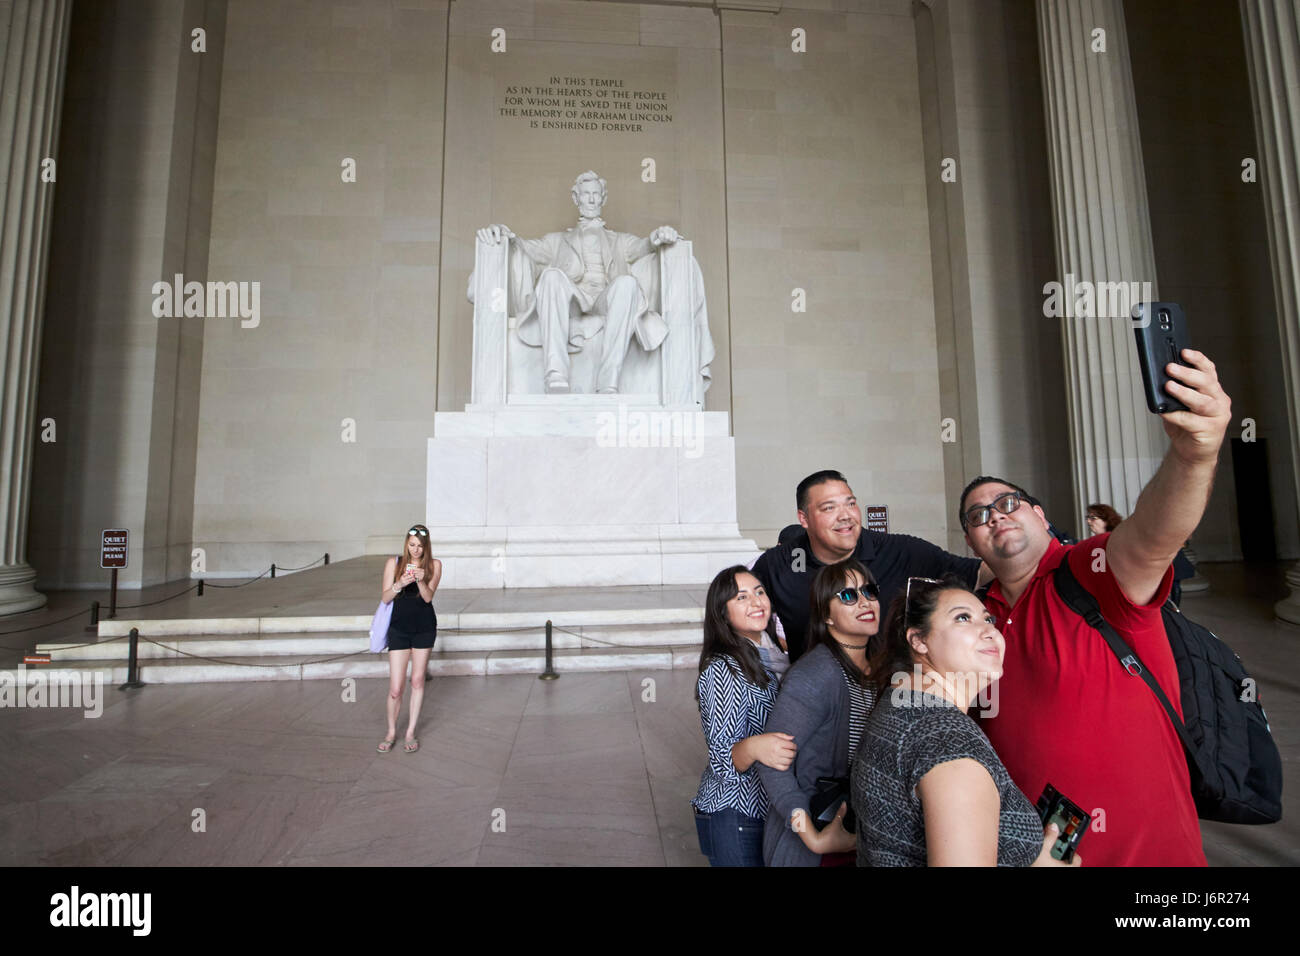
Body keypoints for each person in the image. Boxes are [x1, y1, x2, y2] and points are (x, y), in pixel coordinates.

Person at [957, 346, 1232, 866]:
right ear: (971, 543)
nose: (995, 517)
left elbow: (1152, 535)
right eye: (978, 516)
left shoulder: (1088, 571)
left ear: (1040, 515)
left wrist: (1194, 455)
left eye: (1008, 504)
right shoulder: (974, 617)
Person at [853, 575, 1080, 867]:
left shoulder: (898, 702)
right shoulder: (948, 743)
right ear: (919, 640)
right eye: (963, 618)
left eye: (988, 619)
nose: (988, 631)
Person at [474, 170, 714, 394]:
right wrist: (506, 235)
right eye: (586, 194)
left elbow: (644, 245)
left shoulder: (619, 240)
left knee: (627, 284)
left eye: (596, 194)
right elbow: (525, 247)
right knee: (551, 277)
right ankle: (555, 372)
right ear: (576, 198)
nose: (591, 199)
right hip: (573, 299)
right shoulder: (556, 241)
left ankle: (608, 379)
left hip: (604, 299)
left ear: (603, 198)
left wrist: (659, 236)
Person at [751, 470, 987, 661]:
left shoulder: (901, 551)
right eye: (829, 508)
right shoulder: (780, 563)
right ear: (804, 519)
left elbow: (977, 574)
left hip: (891, 697)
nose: (845, 515)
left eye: (850, 504)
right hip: (818, 695)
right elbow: (736, 610)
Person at [757, 559, 879, 866]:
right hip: (817, 842)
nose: (864, 601)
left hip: (862, 833)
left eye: (869, 591)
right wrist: (809, 833)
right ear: (827, 616)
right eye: (848, 596)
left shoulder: (882, 668)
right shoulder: (816, 674)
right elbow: (772, 762)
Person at [691, 566, 793, 866]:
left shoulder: (775, 655)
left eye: (760, 592)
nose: (757, 602)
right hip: (735, 813)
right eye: (742, 597)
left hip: (767, 809)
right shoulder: (723, 669)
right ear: (723, 614)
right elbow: (722, 757)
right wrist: (755, 747)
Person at [377, 525, 443, 754]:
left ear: (426, 547)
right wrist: (401, 583)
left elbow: (428, 598)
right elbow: (385, 598)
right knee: (396, 688)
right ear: (406, 544)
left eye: (420, 546)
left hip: (424, 628)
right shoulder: (393, 563)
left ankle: (410, 732)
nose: (415, 550)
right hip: (399, 628)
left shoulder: (434, 565)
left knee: (417, 681)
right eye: (412, 545)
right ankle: (391, 731)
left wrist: (422, 580)